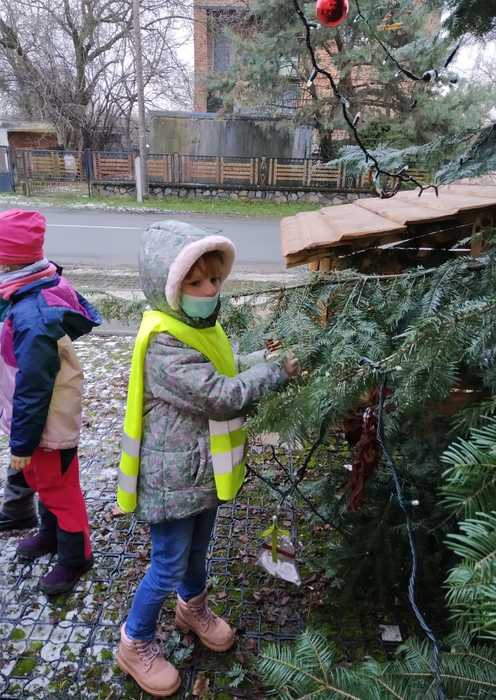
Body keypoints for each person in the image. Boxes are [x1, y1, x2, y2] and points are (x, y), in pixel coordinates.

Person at [115, 220, 300, 697]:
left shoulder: (199, 327)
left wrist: (263, 359)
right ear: (169, 288)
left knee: (198, 553)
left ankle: (192, 609)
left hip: (199, 473)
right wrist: (276, 373)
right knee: (167, 566)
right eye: (195, 282)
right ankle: (134, 642)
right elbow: (221, 394)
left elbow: (227, 367)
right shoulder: (165, 342)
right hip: (171, 480)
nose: (210, 290)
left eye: (215, 279)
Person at [0, 209, 101, 595]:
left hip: (48, 425)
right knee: (47, 484)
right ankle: (50, 535)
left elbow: (33, 390)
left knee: (61, 491)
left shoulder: (32, 317)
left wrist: (21, 445)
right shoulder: (34, 288)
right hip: (43, 422)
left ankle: (75, 557)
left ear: (6, 263)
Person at [0, 258, 38, 534]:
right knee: (23, 443)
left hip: (26, 387)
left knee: (28, 445)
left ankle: (25, 510)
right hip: (9, 384)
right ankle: (21, 507)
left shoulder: (23, 295)